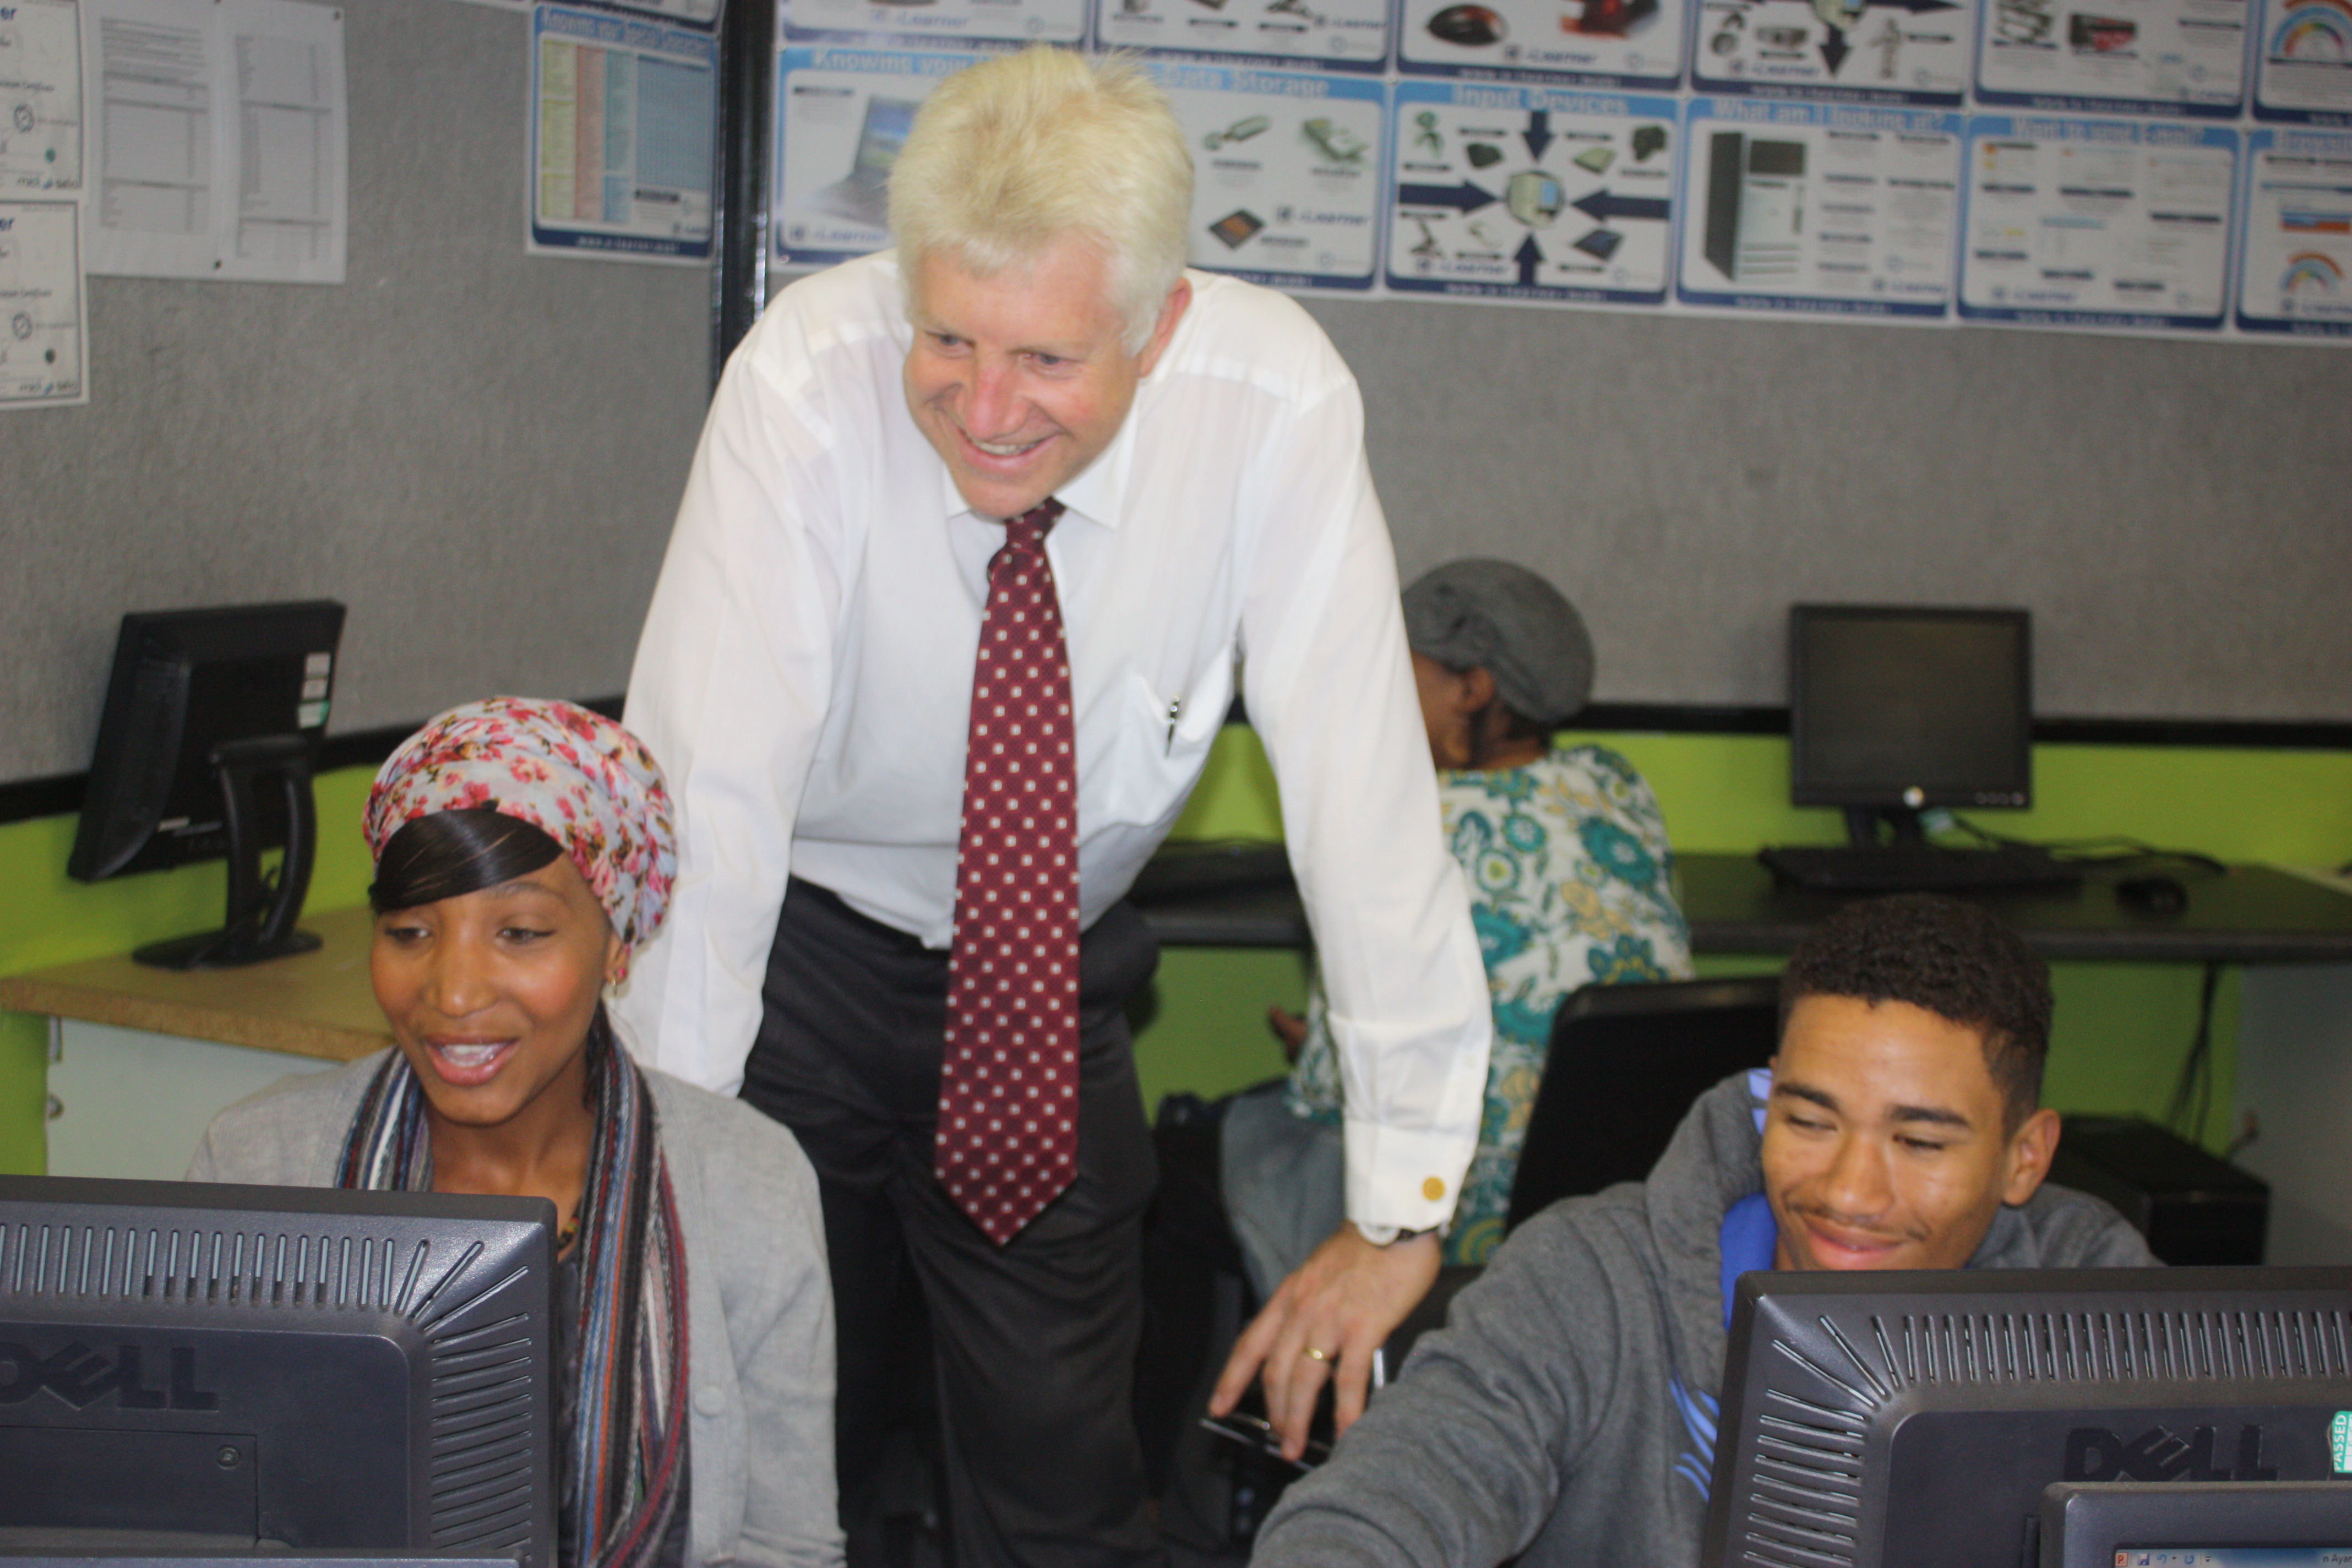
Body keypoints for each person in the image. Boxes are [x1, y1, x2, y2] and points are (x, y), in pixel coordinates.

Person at [614, 45, 1489, 1568]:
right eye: (948, 337)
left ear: (1161, 325)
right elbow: (712, 797)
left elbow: (1365, 790)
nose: (986, 408)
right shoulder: (808, 380)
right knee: (749, 1455)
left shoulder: (1271, 401)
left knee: (1064, 1493)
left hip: (1042, 972)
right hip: (795, 970)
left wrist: (1404, 1197)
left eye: (1048, 360)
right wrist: (661, 1159)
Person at [1247, 892, 2159, 1568]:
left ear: (2024, 1159)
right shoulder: (1596, 1280)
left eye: (1918, 1140)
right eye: (1807, 1121)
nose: (1848, 1190)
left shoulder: (2104, 1304)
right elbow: (1369, 1518)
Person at [187, 698, 842, 1568]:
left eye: (522, 933)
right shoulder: (256, 1167)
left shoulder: (748, 1185)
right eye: (410, 931)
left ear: (618, 946)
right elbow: (194, 1521)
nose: (453, 993)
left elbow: (785, 1546)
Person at [1222, 558, 1694, 1300]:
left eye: (1400, 670)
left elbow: (1324, 1092)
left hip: (1453, 1206)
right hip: (1612, 1201)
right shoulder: (1619, 787)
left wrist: (1319, 1048)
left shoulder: (1406, 820)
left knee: (1211, 1151)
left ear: (1472, 689)